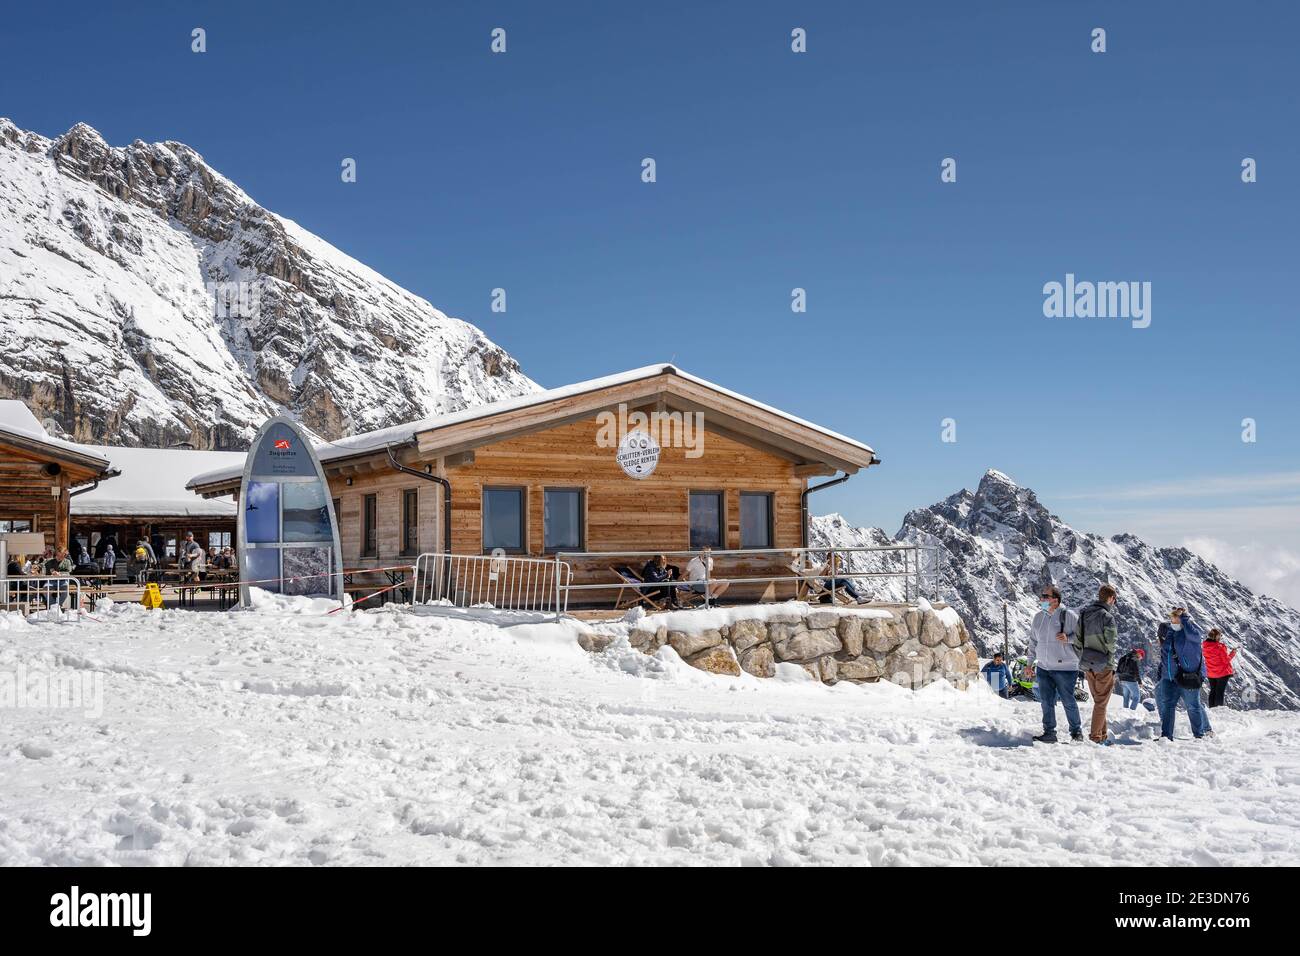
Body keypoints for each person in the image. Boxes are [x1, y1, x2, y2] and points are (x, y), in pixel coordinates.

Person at [1026, 585, 1082, 743]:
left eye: (1045, 596)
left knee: (1068, 700)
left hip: (1066, 668)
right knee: (1046, 701)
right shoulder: (1038, 617)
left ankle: (1076, 732)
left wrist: (1068, 639)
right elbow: (1033, 642)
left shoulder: (1068, 616)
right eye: (1041, 596)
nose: (1041, 599)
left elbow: (1082, 637)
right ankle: (1049, 732)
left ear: (1055, 600)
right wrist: (1030, 664)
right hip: (1044, 667)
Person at [1155, 608, 1213, 740]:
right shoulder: (1170, 633)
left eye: (1176, 618)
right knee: (1168, 706)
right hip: (1168, 678)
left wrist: (1185, 618)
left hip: (1186, 677)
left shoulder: (1190, 635)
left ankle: (1199, 735)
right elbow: (1166, 654)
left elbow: (1196, 636)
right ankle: (1166, 736)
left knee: (1193, 706)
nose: (1173, 620)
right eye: (1172, 618)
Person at [1074, 584, 1120, 744]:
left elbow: (1077, 641)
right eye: (1114, 599)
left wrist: (1084, 657)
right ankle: (1095, 738)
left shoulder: (1084, 613)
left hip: (1087, 664)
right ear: (1110, 598)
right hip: (1104, 665)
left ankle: (1103, 736)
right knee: (1101, 702)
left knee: (1100, 702)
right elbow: (1111, 644)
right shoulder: (1107, 617)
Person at [1203, 628, 1237, 708]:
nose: (1220, 638)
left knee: (1213, 691)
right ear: (1216, 636)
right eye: (1220, 636)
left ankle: (1212, 709)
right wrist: (1233, 653)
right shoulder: (1220, 647)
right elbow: (1226, 660)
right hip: (1222, 673)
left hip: (1210, 673)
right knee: (1219, 692)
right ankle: (1219, 710)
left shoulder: (1205, 646)